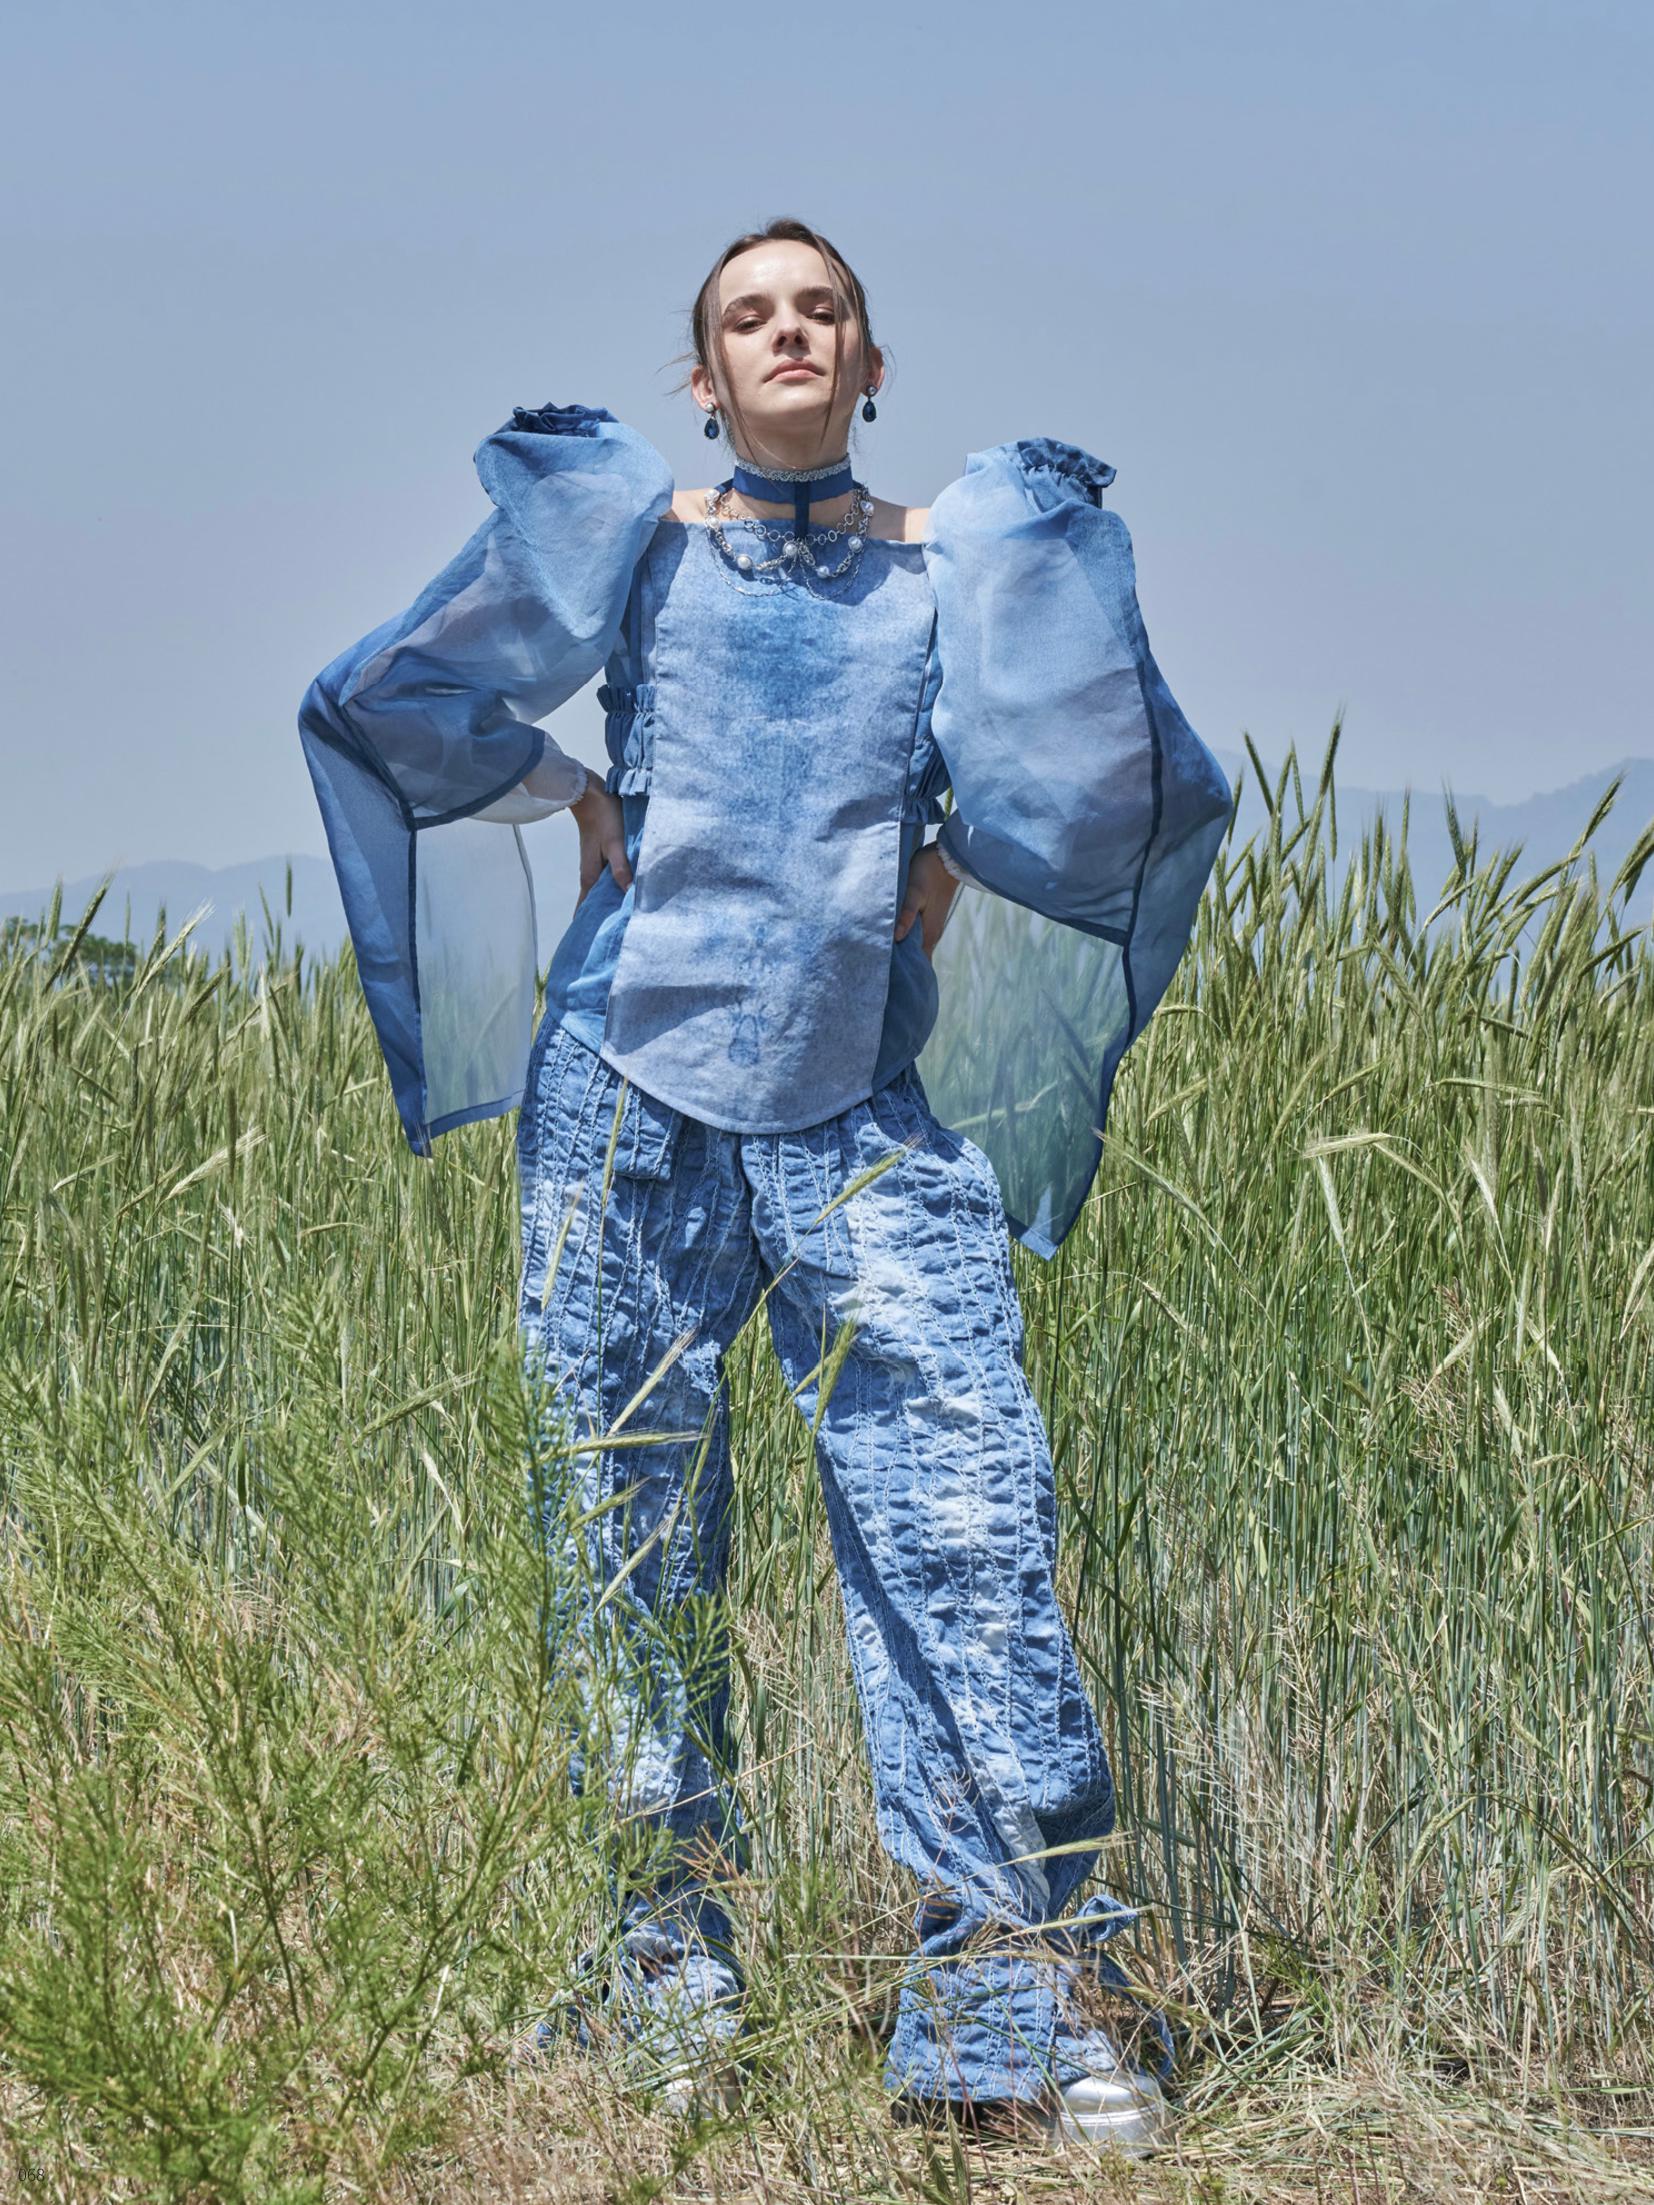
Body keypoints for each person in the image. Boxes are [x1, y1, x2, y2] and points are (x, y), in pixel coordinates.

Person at [298, 217, 1231, 2151]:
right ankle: (666, 1985)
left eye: (822, 310)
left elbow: (1119, 783)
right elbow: (393, 695)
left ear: (869, 364)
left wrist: (955, 854)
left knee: (966, 1516)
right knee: (623, 1533)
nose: (787, 331)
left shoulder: (966, 555)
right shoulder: (630, 538)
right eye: (749, 316)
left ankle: (1017, 1995)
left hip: (859, 1107)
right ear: (704, 377)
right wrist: (574, 794)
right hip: (621, 1101)